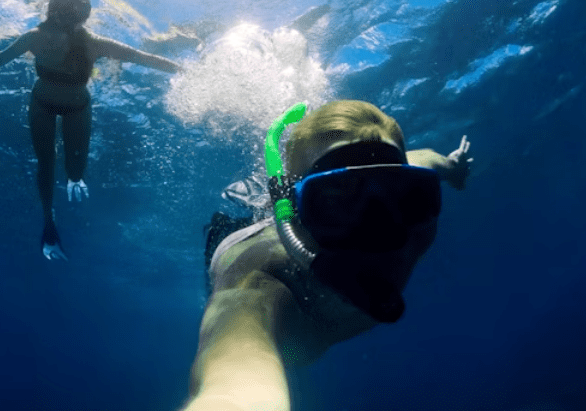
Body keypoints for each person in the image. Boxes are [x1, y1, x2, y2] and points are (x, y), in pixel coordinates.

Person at [184, 100, 473, 411]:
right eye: (336, 203)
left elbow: (426, 160)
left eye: (404, 195)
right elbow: (232, 365)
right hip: (243, 235)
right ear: (297, 215)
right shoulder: (260, 278)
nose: (377, 233)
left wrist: (453, 167)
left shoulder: (417, 223)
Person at [0, 0, 181, 260]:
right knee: (47, 163)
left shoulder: (92, 43)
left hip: (75, 109)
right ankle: (48, 220)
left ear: (82, 14)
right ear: (54, 9)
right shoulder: (37, 37)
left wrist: (182, 71)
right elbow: (0, 57)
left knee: (74, 170)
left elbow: (141, 57)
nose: (64, 14)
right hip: (44, 105)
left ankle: (73, 182)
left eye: (71, 9)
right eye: (62, 7)